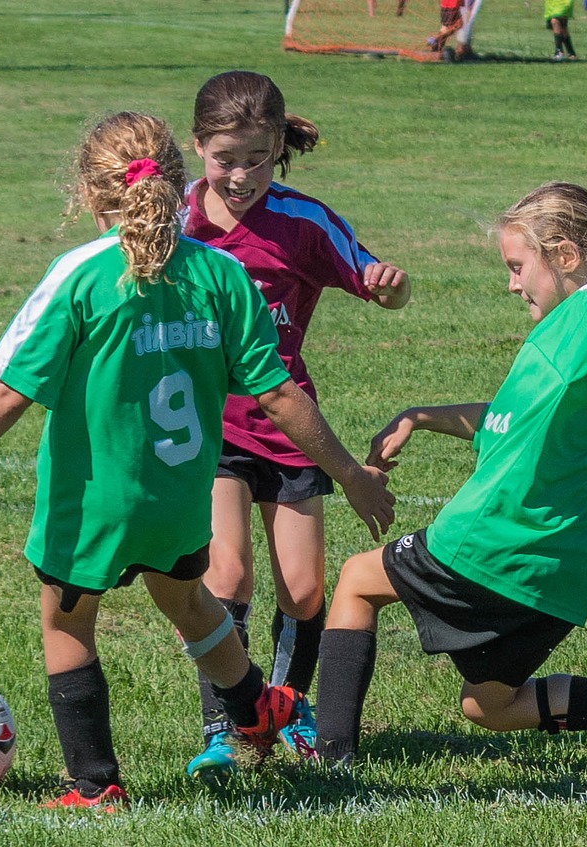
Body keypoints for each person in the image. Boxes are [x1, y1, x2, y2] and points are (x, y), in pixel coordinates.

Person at [0, 111, 394, 808]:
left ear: (91, 193)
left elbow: (5, 395)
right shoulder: (220, 274)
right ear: (179, 186)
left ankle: (95, 784)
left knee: (68, 622)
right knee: (188, 601)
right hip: (181, 497)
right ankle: (254, 710)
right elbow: (278, 395)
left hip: (96, 499)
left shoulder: (81, 276)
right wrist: (351, 474)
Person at [309, 143, 587, 768]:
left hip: (496, 543)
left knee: (356, 580)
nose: (511, 283)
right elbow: (506, 422)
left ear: (564, 256)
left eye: (517, 265)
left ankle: (331, 759)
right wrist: (420, 417)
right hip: (562, 567)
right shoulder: (566, 340)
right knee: (490, 708)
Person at [181, 70, 410, 782]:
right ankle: (226, 722)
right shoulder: (175, 222)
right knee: (226, 574)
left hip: (289, 426)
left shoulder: (304, 222)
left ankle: (288, 704)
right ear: (197, 149)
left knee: (305, 591)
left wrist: (389, 286)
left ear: (278, 144)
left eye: (256, 156)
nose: (241, 174)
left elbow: (376, 279)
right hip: (207, 428)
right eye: (226, 158)